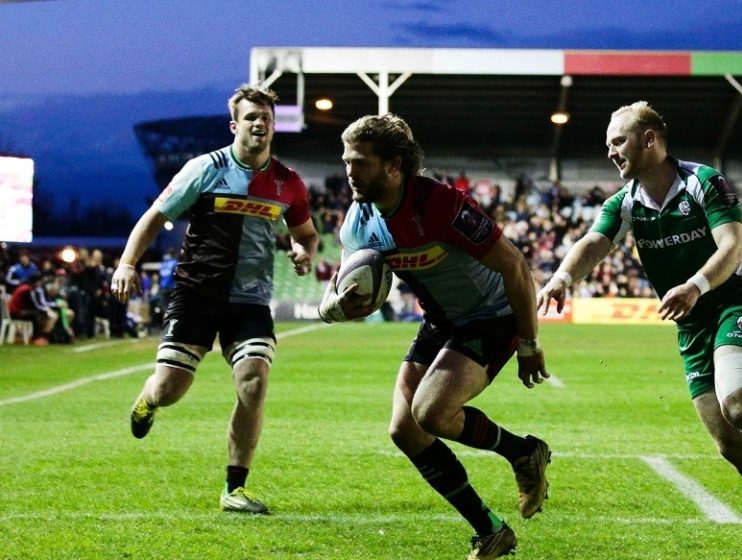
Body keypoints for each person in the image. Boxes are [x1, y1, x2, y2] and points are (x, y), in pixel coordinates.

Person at [537, 101, 742, 560]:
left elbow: (731, 245)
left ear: (649, 140)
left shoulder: (703, 182)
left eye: (618, 141)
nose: (610, 152)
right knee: (730, 443)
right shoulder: (626, 201)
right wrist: (562, 277)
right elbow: (594, 242)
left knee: (741, 408)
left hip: (737, 305)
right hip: (691, 327)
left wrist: (695, 285)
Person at [319, 113, 551, 560]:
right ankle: (491, 530)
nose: (349, 171)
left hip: (492, 315)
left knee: (432, 412)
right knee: (404, 429)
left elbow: (516, 266)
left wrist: (528, 343)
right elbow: (345, 289)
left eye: (360, 162)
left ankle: (523, 453)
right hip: (441, 321)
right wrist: (336, 308)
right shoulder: (358, 221)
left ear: (393, 166)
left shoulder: (441, 205)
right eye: (346, 160)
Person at [111, 84, 319, 515]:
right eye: (251, 117)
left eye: (266, 117)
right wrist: (128, 263)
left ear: (274, 125)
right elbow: (153, 218)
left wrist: (304, 251)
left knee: (254, 379)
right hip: (197, 293)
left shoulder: (288, 183)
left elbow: (306, 233)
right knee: (171, 388)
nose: (259, 123)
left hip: (250, 300)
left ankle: (234, 488)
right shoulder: (204, 169)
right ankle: (149, 399)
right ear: (235, 125)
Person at [7, 272, 57, 345]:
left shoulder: (24, 287)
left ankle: (33, 336)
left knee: (36, 314)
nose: (40, 284)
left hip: (14, 312)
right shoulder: (26, 290)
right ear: (35, 282)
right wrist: (45, 310)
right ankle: (35, 338)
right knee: (36, 316)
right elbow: (31, 305)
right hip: (16, 313)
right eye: (39, 282)